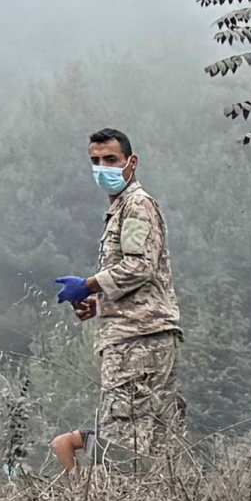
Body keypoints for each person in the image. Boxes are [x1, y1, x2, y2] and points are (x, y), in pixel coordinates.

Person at [50, 124, 183, 474]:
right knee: (146, 439)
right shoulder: (121, 209)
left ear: (131, 162)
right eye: (96, 161)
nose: (103, 168)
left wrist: (88, 285)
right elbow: (139, 277)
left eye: (111, 160)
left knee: (123, 438)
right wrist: (101, 303)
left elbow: (139, 266)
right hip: (140, 335)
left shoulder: (136, 205)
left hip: (137, 340)